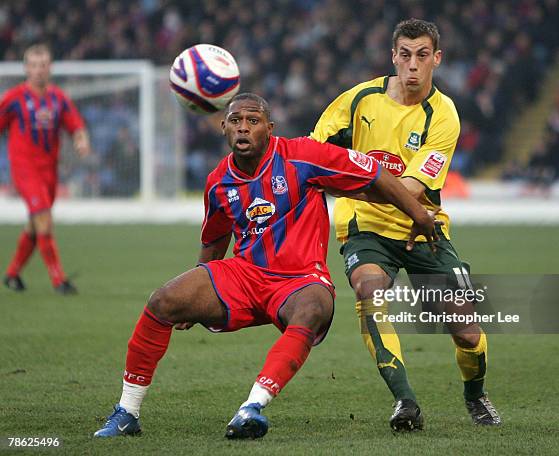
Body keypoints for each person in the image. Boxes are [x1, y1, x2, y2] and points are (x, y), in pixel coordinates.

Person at [93, 93, 439, 439]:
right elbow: (214, 240)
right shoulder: (218, 181)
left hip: (301, 279)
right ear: (224, 127)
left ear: (269, 129)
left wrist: (419, 214)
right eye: (236, 121)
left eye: (253, 121)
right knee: (162, 301)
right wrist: (195, 293)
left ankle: (252, 407)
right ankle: (127, 412)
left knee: (314, 307)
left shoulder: (304, 155)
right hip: (245, 276)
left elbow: (374, 173)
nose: (244, 128)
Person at [311, 18, 501, 430]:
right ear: (393, 57)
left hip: (424, 228)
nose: (412, 65)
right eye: (404, 55)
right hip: (365, 229)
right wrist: (334, 185)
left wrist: (350, 187)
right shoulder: (359, 100)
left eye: (421, 56)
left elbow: (413, 188)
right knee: (370, 290)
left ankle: (475, 395)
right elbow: (313, 154)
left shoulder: (444, 115)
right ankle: (406, 402)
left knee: (467, 331)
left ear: (437, 59)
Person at [1, 43, 91, 294]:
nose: (39, 70)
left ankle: (12, 274)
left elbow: (76, 124)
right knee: (43, 219)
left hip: (49, 171)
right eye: (34, 65)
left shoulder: (58, 98)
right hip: (24, 170)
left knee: (35, 224)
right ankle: (58, 280)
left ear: (49, 68)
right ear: (26, 68)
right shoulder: (14, 98)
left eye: (43, 65)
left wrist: (81, 139)